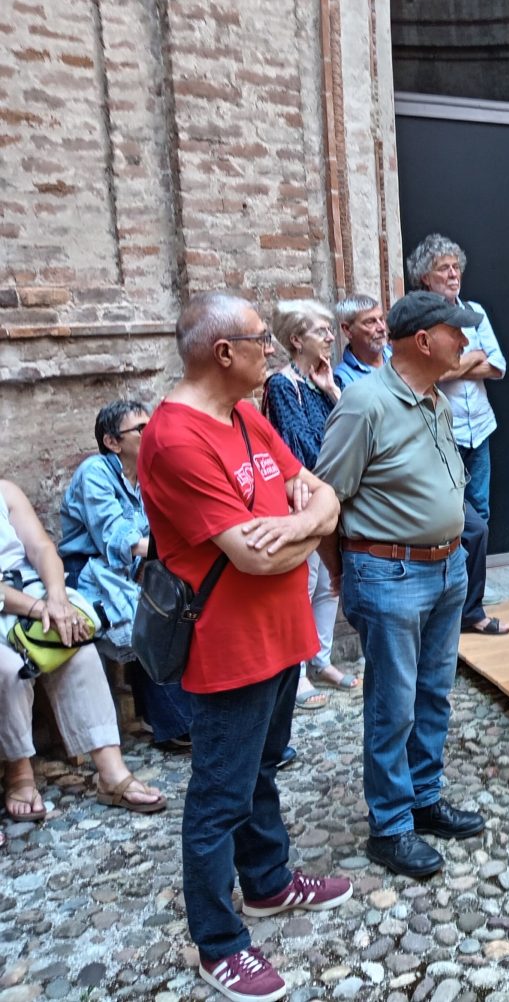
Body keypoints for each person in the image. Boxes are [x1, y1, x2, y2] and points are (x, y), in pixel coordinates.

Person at [140, 291, 349, 1002]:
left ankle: (267, 883)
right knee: (219, 797)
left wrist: (297, 523)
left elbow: (321, 493)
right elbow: (252, 558)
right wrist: (310, 525)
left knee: (263, 768)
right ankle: (219, 943)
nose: (274, 350)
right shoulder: (175, 439)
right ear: (223, 352)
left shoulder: (247, 414)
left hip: (281, 633)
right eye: (263, 339)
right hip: (228, 646)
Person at [315, 290, 488, 879]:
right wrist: (341, 573)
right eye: (455, 332)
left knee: (434, 693)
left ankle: (423, 798)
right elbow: (327, 496)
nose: (464, 341)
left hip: (446, 567)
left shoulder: (435, 398)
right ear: (423, 340)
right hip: (390, 572)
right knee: (393, 704)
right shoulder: (365, 403)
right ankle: (390, 827)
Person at [2, 478, 167, 822]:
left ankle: (112, 772)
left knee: (79, 651)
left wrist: (57, 599)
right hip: (14, 606)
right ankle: (19, 773)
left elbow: (42, 548)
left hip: (36, 596)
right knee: (9, 670)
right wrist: (38, 609)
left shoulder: (6, 491)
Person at [57, 400, 196, 749]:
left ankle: (178, 712)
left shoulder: (148, 474)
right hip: (89, 574)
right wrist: (175, 551)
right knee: (150, 619)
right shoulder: (94, 472)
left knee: (187, 603)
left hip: (134, 571)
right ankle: (173, 722)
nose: (151, 433)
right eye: (141, 429)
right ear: (112, 442)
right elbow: (118, 539)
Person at [407, 233, 509, 630]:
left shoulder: (475, 311)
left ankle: (472, 600)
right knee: (449, 519)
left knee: (479, 515)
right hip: (442, 434)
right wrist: (471, 358)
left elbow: (497, 365)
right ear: (425, 277)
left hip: (479, 427)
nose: (453, 274)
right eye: (443, 269)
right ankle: (449, 600)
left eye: (456, 268)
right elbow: (428, 374)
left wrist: (454, 365)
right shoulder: (420, 319)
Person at [263, 300, 359, 705]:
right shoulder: (281, 385)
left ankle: (320, 658)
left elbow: (353, 426)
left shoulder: (319, 382)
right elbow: (299, 443)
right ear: (296, 339)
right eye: (321, 331)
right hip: (302, 497)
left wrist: (332, 390)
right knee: (304, 583)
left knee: (327, 585)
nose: (330, 337)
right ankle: (297, 671)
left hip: (327, 495)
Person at [332, 293, 389, 389]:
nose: (382, 328)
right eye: (370, 322)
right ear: (347, 330)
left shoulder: (398, 355)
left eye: (381, 319)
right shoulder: (343, 379)